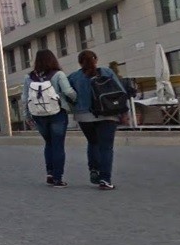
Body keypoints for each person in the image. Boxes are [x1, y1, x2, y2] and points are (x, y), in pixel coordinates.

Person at [67, 49, 128, 191]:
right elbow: (121, 92)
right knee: (106, 147)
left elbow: (67, 94)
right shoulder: (107, 72)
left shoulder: (74, 77)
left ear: (79, 62)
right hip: (108, 114)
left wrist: (75, 106)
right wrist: (124, 113)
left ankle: (94, 169)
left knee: (93, 142)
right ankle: (105, 180)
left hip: (84, 116)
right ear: (96, 60)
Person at [22, 49, 77, 187]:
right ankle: (58, 178)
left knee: (49, 143)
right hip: (57, 113)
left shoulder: (28, 77)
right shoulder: (58, 74)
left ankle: (50, 173)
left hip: (38, 115)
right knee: (58, 145)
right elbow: (68, 91)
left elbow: (25, 98)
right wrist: (76, 99)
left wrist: (26, 115)